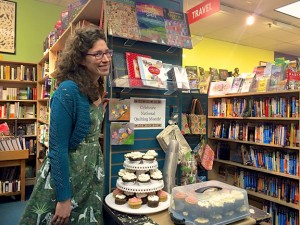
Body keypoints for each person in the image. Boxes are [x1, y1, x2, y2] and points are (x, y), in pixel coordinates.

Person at [19, 26, 111, 225]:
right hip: (68, 176)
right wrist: (63, 198)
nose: (105, 59)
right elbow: (58, 148)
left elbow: (89, 125)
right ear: (80, 59)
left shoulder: (97, 86)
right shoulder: (67, 91)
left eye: (106, 52)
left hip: (90, 173)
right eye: (97, 54)